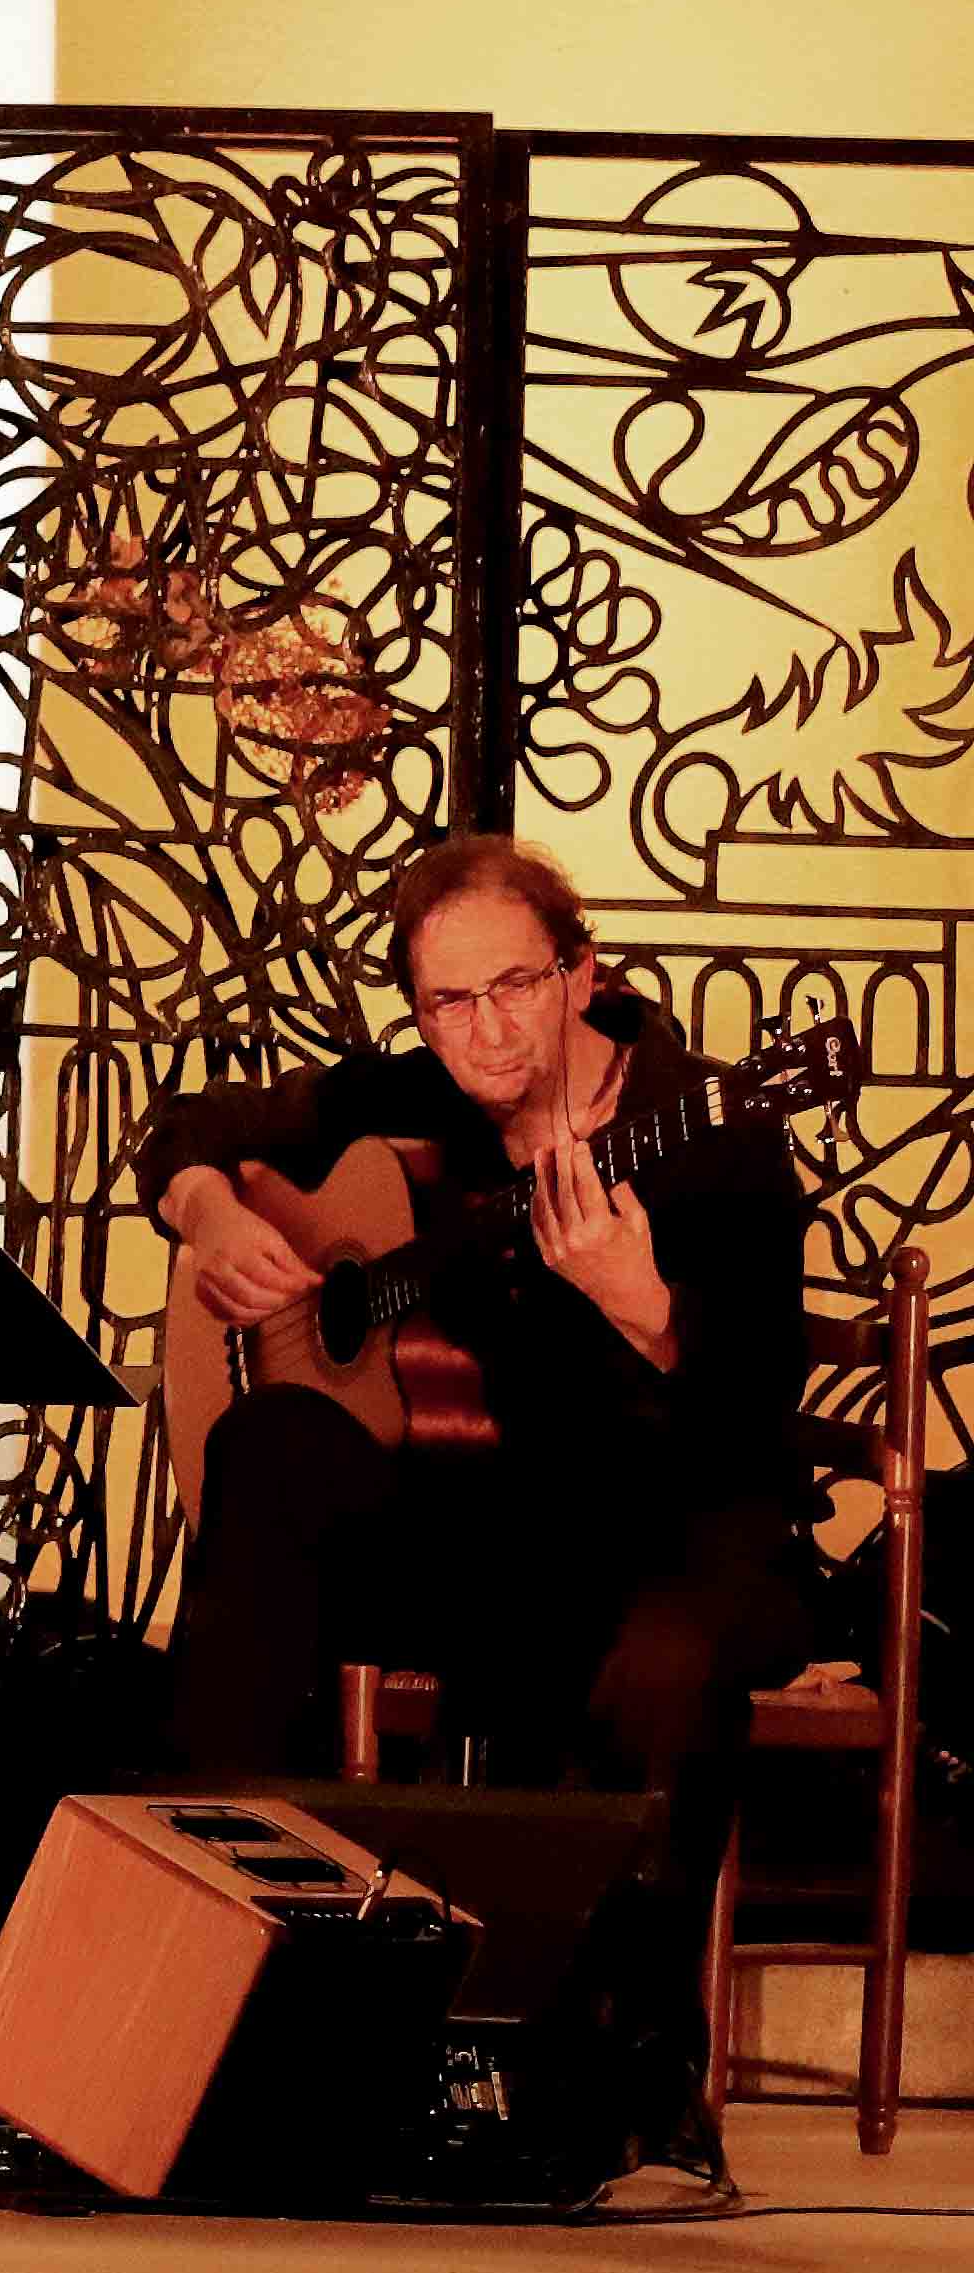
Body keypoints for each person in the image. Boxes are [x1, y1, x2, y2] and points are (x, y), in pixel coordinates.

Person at [145, 833, 806, 2053]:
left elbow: (759, 1405)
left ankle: (618, 2067)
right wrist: (208, 1212)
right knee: (272, 1441)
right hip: (480, 1524)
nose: (486, 1030)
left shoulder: (710, 1129)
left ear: (579, 973)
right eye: (449, 1002)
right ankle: (210, 1974)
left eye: (513, 986)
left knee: (665, 1660)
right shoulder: (407, 1102)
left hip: (667, 1534)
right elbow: (183, 1128)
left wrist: (641, 1306)